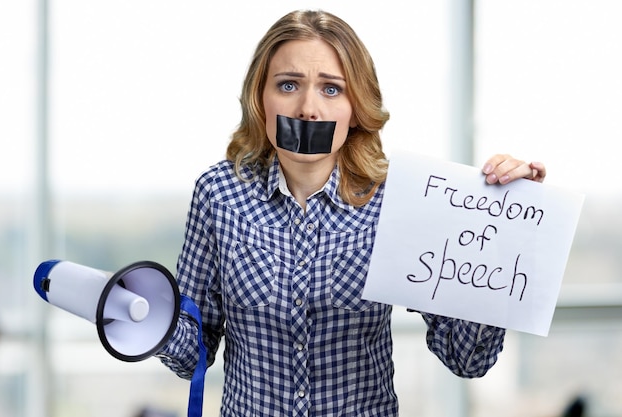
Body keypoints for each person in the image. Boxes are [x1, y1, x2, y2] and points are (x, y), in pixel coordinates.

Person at [155, 9, 546, 416]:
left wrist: (504, 228)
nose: (308, 109)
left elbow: (468, 358)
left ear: (356, 107)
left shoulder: (397, 200)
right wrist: (140, 315)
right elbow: (189, 354)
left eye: (331, 89)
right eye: (288, 85)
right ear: (260, 98)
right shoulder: (218, 194)